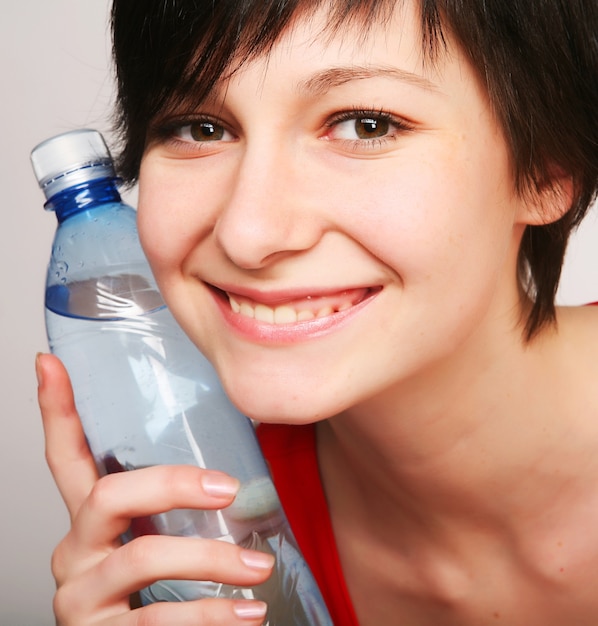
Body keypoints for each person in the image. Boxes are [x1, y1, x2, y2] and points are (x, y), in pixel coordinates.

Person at [35, 0, 598, 624]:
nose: (249, 233)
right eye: (200, 128)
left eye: (366, 125)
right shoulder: (224, 532)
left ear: (547, 169)